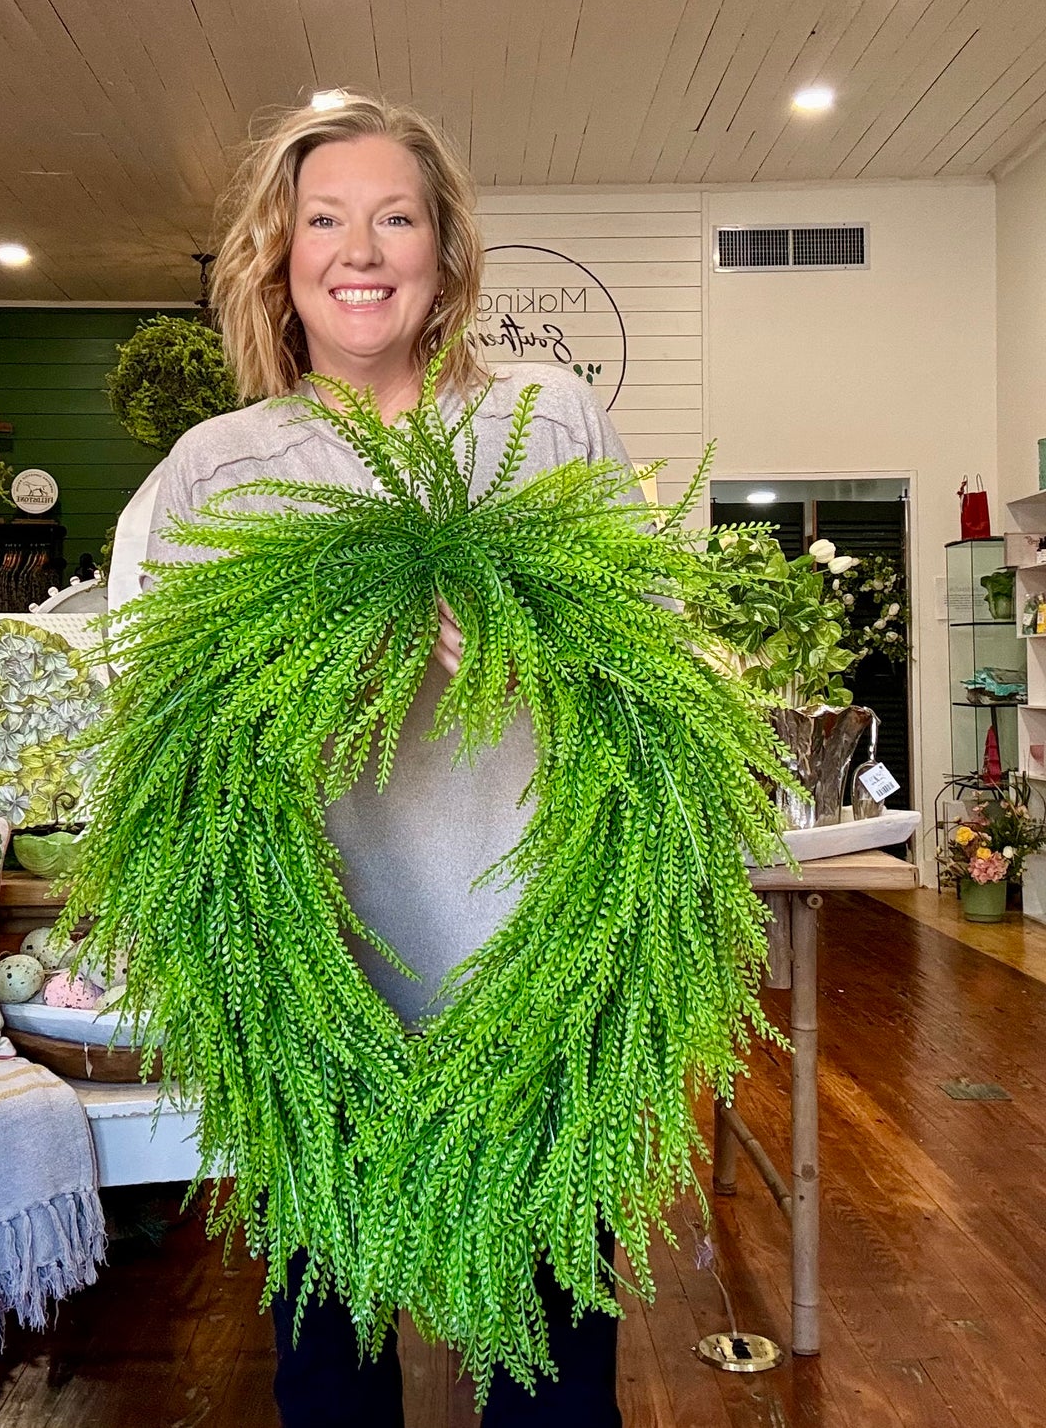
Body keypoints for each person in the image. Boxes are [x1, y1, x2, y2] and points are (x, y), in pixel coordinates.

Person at [130, 92, 632, 1428]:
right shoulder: (217, 470)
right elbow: (152, 733)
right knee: (328, 1377)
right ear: (277, 262)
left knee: (554, 1371)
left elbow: (659, 658)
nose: (361, 247)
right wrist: (288, 687)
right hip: (316, 996)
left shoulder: (548, 421)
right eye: (324, 219)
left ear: (445, 254)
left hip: (537, 983)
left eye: (395, 215)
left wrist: (538, 652)